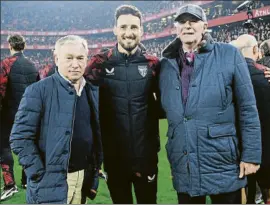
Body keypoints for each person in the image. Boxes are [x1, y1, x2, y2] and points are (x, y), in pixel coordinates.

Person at [159, 4, 261, 204]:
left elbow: (247, 108)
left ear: (204, 26)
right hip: (184, 163)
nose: (187, 26)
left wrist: (251, 155)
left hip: (223, 162)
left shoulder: (229, 55)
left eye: (193, 21)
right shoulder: (165, 65)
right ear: (175, 28)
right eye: (182, 22)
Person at [10, 35, 102, 204]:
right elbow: (20, 138)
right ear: (56, 58)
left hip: (82, 178)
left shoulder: (91, 91)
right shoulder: (37, 91)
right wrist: (39, 173)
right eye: (69, 58)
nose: (75, 64)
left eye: (80, 58)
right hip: (50, 182)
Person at [85, 5, 161, 204]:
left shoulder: (152, 64)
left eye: (134, 27)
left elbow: (165, 103)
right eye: (124, 27)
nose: (129, 33)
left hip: (146, 156)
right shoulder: (100, 63)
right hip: (114, 157)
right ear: (115, 29)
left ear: (142, 31)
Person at [234, 34, 270, 204]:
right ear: (256, 50)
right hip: (267, 145)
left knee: (242, 194)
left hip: (238, 148)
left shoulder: (228, 78)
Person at [0, 34, 39, 201]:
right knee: (27, 146)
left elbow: (1, 89)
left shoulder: (7, 64)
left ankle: (10, 184)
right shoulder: (33, 65)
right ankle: (26, 181)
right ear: (24, 46)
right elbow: (38, 91)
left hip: (9, 113)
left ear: (10, 45)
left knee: (3, 147)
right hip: (30, 114)